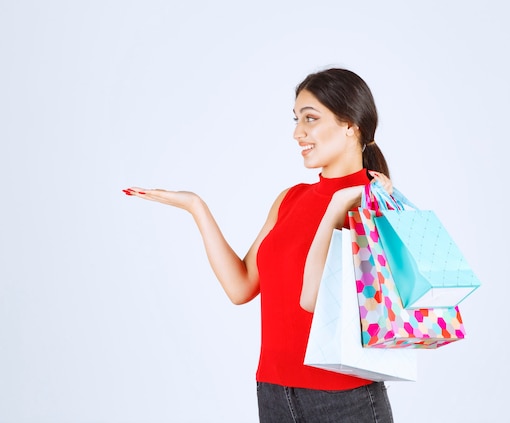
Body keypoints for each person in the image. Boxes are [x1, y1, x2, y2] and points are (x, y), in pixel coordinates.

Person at [123, 68, 395, 422]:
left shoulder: (376, 203)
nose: (299, 133)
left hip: (345, 398)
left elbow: (312, 299)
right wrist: (196, 207)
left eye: (310, 119)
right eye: (296, 120)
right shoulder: (290, 199)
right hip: (273, 392)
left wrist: (337, 207)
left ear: (350, 125)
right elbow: (241, 286)